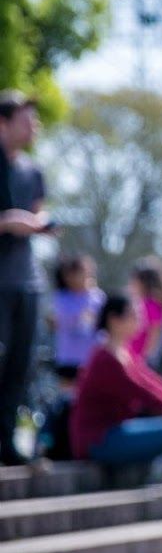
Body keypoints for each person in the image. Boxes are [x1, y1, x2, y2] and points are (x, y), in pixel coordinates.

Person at [0, 89, 49, 466]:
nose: (34, 126)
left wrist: (40, 224)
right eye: (25, 120)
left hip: (26, 280)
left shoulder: (33, 171)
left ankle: (8, 440)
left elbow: (39, 214)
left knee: (21, 362)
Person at [69, 293, 162, 465]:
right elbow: (143, 393)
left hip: (117, 432)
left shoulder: (126, 354)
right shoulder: (105, 359)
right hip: (98, 440)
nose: (140, 321)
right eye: (133, 315)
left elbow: (152, 383)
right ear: (114, 320)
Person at [50, 253, 105, 386]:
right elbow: (55, 321)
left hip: (93, 359)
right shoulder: (61, 297)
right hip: (68, 357)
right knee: (67, 401)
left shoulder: (98, 297)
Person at [129, 257, 162, 360]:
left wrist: (145, 359)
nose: (131, 284)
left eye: (134, 280)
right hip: (134, 358)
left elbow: (155, 334)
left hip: (142, 361)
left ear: (144, 282)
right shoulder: (142, 302)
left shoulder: (152, 304)